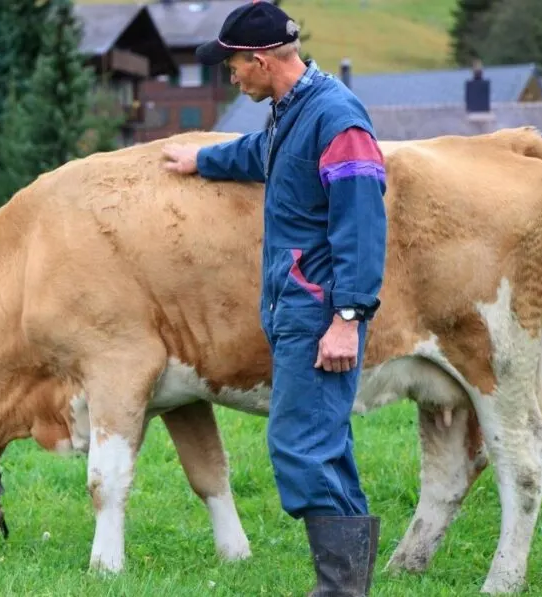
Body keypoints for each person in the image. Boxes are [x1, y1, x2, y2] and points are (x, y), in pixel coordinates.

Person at [160, 2, 388, 595]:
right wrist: (201, 159)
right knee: (326, 448)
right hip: (299, 308)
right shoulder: (294, 112)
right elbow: (263, 156)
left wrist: (346, 318)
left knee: (299, 446)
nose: (230, 76)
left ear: (260, 60)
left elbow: (362, 227)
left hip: (320, 314)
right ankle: (349, 587)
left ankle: (338, 588)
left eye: (233, 65)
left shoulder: (337, 118)